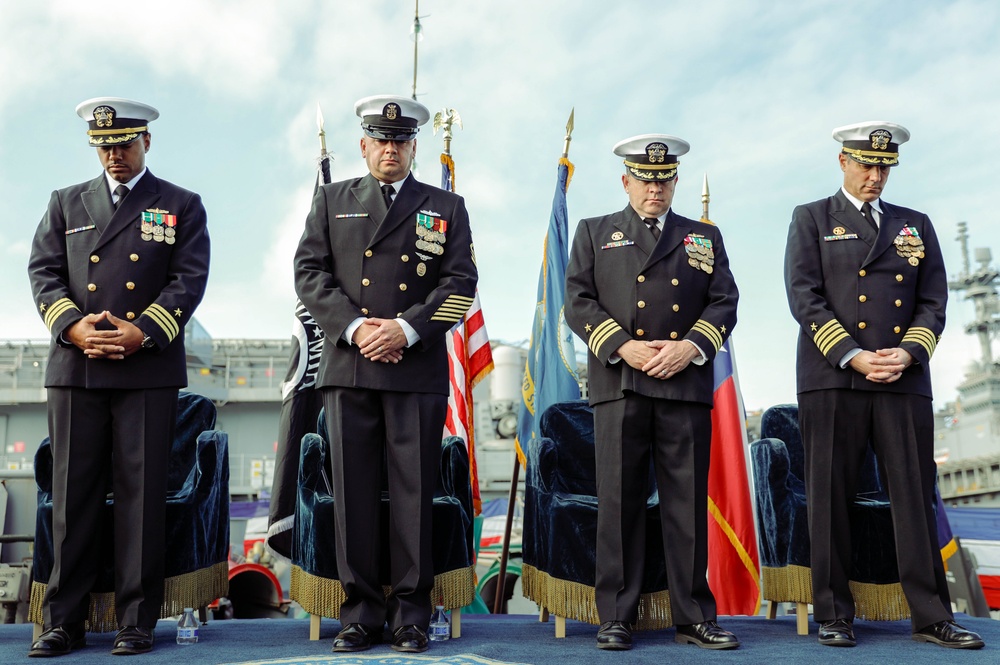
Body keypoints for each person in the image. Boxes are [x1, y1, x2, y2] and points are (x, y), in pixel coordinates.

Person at [783, 121, 984, 649]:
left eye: (884, 166)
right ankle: (833, 613)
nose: (876, 176)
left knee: (914, 498)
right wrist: (851, 354)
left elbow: (933, 300)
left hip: (901, 377)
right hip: (833, 376)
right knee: (829, 497)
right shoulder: (812, 218)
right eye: (866, 165)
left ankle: (932, 616)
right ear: (843, 163)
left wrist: (910, 351)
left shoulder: (914, 224)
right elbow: (803, 295)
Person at [293, 94, 478, 654]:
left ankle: (411, 617)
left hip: (414, 369)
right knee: (351, 497)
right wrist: (355, 328)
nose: (391, 149)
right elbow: (308, 274)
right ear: (365, 145)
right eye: (382, 140)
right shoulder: (332, 200)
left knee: (413, 494)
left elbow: (460, 285)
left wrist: (406, 329)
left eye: (401, 141)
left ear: (414, 146)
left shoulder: (445, 205)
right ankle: (360, 616)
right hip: (349, 367)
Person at [27, 97, 210, 657]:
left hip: (145, 367)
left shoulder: (180, 204)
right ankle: (62, 620)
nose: (114, 156)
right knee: (71, 499)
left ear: (147, 142)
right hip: (76, 366)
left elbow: (189, 278)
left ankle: (136, 620)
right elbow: (43, 272)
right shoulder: (65, 202)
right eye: (104, 146)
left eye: (124, 145)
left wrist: (144, 332)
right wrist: (73, 328)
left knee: (141, 496)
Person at [565, 135, 740, 651]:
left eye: (663, 179)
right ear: (626, 182)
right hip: (621, 382)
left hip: (684, 384)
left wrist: (691, 348)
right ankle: (617, 615)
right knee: (619, 503)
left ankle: (694, 616)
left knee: (686, 505)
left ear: (675, 182)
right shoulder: (595, 232)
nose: (654, 188)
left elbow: (725, 302)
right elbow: (577, 299)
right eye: (645, 178)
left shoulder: (702, 237)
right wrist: (622, 346)